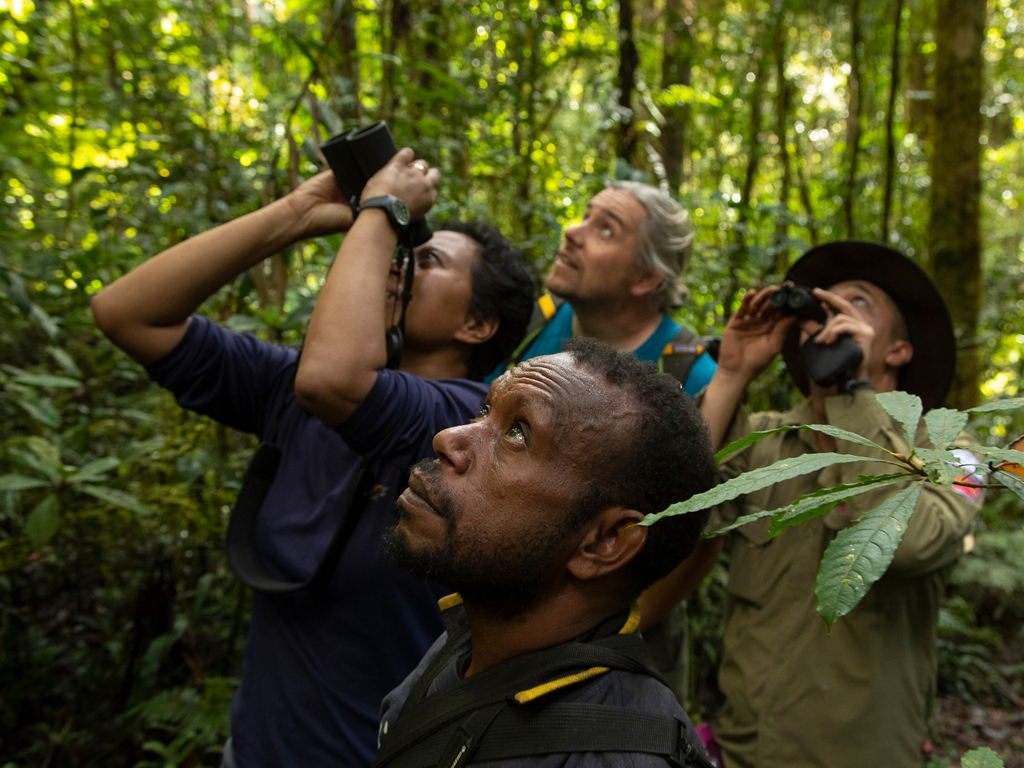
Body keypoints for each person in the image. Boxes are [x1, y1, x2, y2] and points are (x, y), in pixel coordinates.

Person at [90, 149, 536, 768]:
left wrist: (382, 210)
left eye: (425, 261)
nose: (392, 266)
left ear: (478, 324)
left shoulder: (461, 426)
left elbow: (334, 381)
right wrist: (299, 212)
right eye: (399, 253)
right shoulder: (295, 395)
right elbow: (127, 312)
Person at [689, 241, 984, 768]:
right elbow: (674, 518)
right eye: (822, 302)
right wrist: (731, 374)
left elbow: (912, 542)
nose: (830, 309)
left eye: (859, 301)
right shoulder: (761, 440)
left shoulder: (954, 452)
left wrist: (851, 389)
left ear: (897, 350)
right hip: (740, 753)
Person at [375, 339, 717, 767]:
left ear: (604, 541)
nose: (448, 438)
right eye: (485, 411)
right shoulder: (469, 642)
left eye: (518, 432)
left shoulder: (616, 753)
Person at [488, 181, 716, 395]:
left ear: (645, 277)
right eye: (586, 217)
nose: (571, 233)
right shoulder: (533, 321)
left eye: (606, 230)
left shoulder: (693, 378)